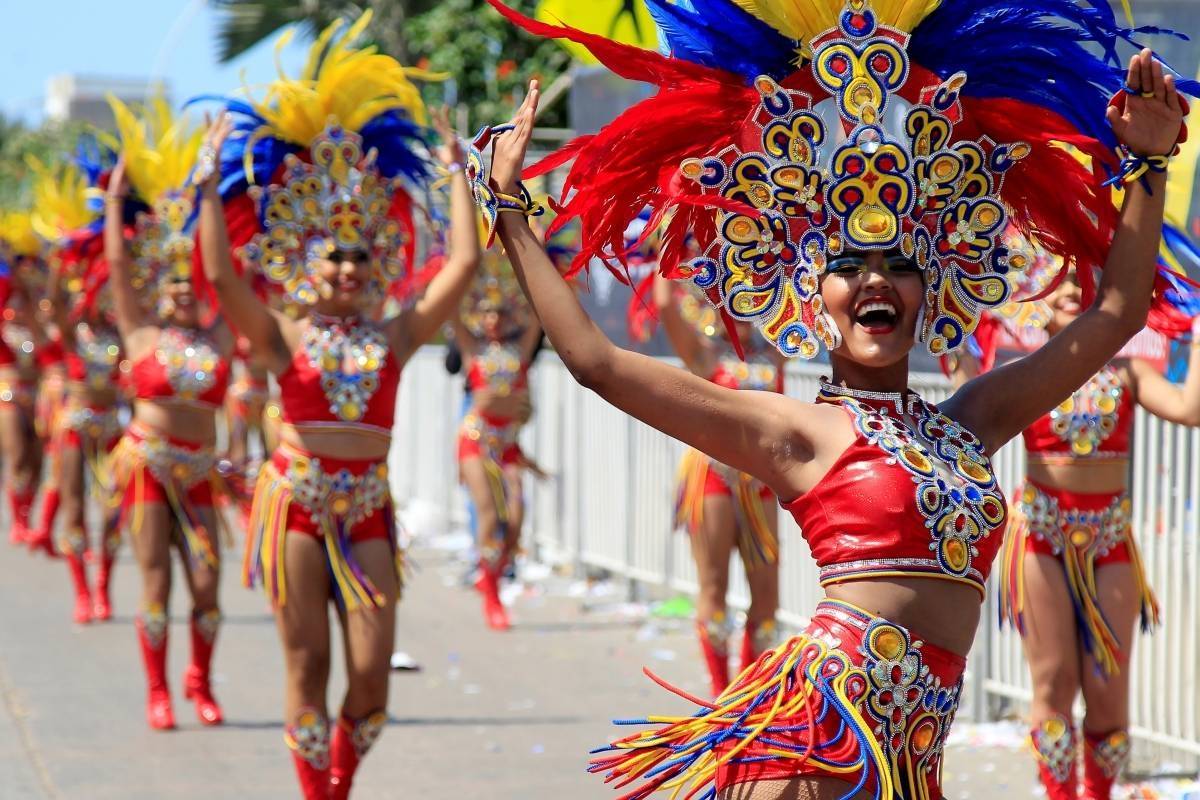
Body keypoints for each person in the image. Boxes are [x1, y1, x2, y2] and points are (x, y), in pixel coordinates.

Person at [470, 0, 1191, 796]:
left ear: (931, 288)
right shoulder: (795, 431)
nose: (877, 280)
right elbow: (597, 363)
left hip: (915, 753)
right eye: (850, 266)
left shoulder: (971, 421)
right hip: (822, 736)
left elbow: (1117, 313)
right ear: (816, 297)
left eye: (899, 265)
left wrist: (1148, 164)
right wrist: (509, 212)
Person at [198, 15, 481, 797]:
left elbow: (462, 263)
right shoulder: (281, 335)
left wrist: (460, 174)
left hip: (367, 508)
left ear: (377, 259)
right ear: (305, 262)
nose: (349, 268)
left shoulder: (396, 334)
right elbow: (221, 278)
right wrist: (207, 185)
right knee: (307, 665)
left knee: (370, 677)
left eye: (360, 254)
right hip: (296, 502)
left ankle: (341, 778)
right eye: (334, 255)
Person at [952, 245, 1200, 800]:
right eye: (1054, 279)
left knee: (1109, 695)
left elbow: (1189, 409)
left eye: (1078, 278)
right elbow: (966, 408)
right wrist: (958, 328)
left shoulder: (1129, 371)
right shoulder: (1023, 376)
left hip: (1111, 538)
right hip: (1040, 536)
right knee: (1054, 682)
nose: (1067, 288)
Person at [103, 95, 235, 730]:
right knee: (156, 582)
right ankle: (157, 690)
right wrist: (113, 204)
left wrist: (211, 187)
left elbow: (229, 269)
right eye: (173, 282)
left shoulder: (220, 337)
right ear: (159, 287)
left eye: (192, 282)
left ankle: (199, 680)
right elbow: (117, 264)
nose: (183, 290)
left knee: (207, 583)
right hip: (149, 469)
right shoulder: (140, 335)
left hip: (200, 470)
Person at [640, 268, 783, 696]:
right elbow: (664, 304)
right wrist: (665, 247)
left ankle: (748, 696)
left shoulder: (776, 349)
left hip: (762, 482)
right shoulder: (705, 354)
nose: (739, 306)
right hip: (713, 478)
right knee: (714, 587)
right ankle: (721, 695)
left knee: (768, 598)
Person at [454, 254, 543, 630]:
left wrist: (539, 260)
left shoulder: (520, 351)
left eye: (501, 313)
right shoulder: (472, 350)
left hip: (508, 446)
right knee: (489, 514)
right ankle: (492, 596)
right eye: (487, 312)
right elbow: (450, 311)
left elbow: (539, 312)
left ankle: (491, 573)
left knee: (517, 517)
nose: (493, 319)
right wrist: (452, 266)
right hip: (475, 441)